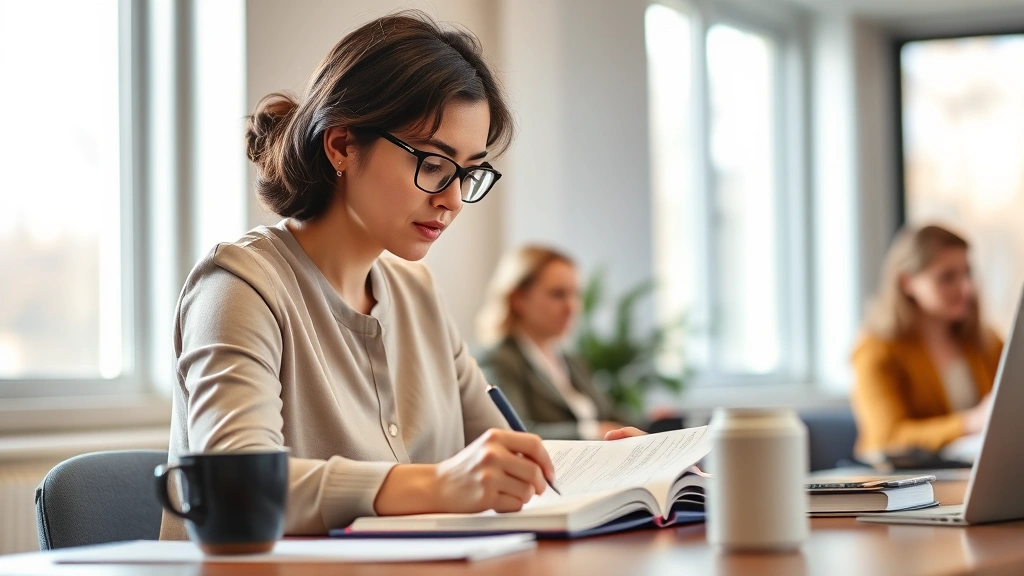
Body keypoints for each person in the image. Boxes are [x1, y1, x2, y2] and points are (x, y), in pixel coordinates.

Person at [160, 12, 643, 540]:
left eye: (468, 172)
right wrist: (435, 485)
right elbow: (236, 492)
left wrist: (614, 466)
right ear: (342, 146)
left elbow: (501, 450)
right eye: (434, 164)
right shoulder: (239, 287)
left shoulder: (416, 292)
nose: (453, 199)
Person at [851, 224, 1004, 462]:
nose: (965, 288)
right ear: (907, 282)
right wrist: (970, 423)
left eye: (967, 273)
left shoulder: (986, 341)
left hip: (972, 471)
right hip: (900, 482)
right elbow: (887, 437)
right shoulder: (876, 350)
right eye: (947, 277)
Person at [475, 246, 647, 440]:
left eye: (575, 294)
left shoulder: (571, 361)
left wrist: (654, 422)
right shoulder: (500, 359)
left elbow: (612, 416)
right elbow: (513, 431)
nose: (572, 307)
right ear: (518, 298)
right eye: (558, 294)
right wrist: (591, 432)